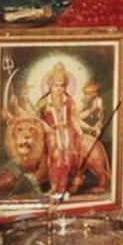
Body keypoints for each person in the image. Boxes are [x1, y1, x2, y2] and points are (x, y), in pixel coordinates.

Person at [36, 62, 85, 193]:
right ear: (50, 86)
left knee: (67, 159)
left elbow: (73, 118)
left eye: (62, 86)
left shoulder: (69, 101)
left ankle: (62, 188)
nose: (59, 88)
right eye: (55, 85)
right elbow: (37, 119)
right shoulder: (43, 101)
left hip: (67, 133)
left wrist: (80, 132)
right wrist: (45, 126)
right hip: (51, 133)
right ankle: (54, 187)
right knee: (56, 158)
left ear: (65, 87)